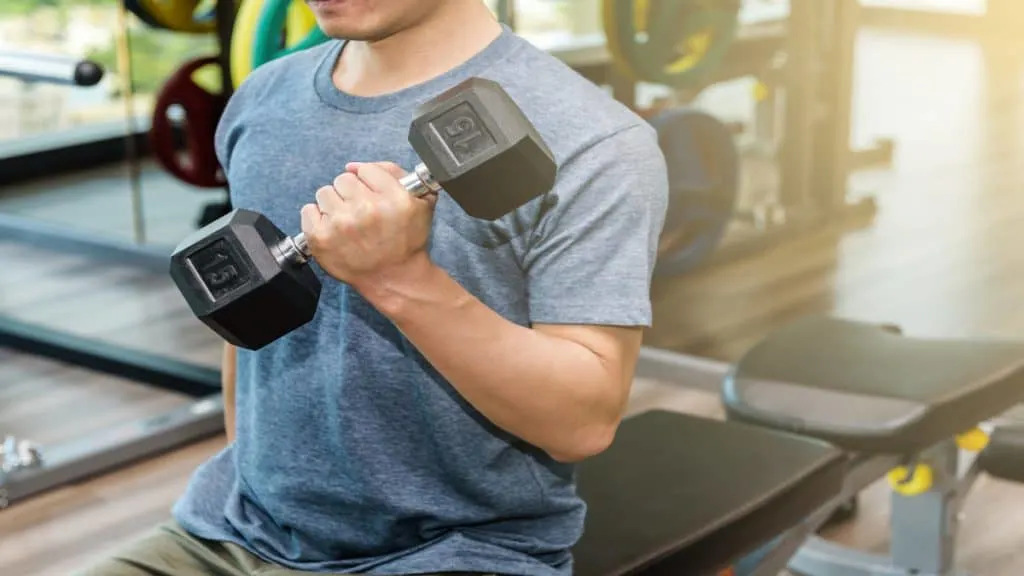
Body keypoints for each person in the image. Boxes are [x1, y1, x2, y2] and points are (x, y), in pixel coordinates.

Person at [77, 0, 668, 574]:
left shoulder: (594, 139)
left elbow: (582, 423)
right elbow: (246, 330)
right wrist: (253, 475)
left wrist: (399, 278)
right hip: (231, 533)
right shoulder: (262, 98)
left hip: (453, 551)